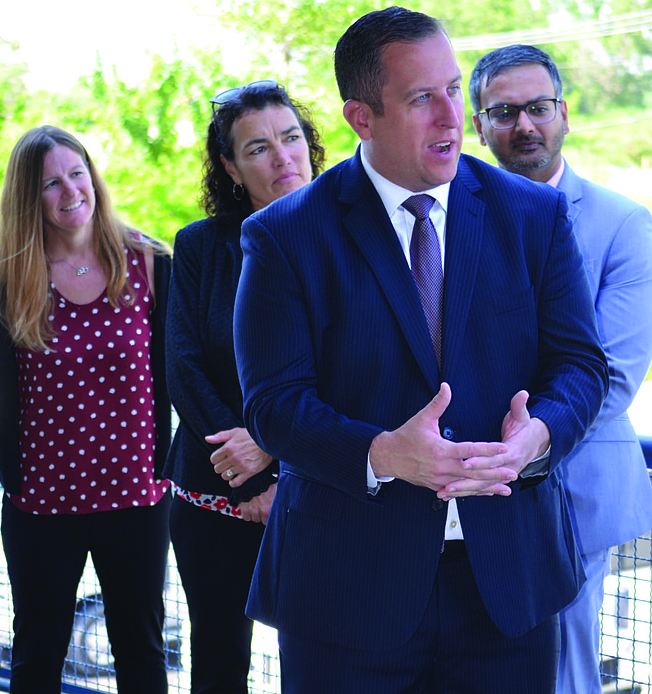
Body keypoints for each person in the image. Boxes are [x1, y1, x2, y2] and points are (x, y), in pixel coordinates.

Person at [232, 7, 610, 694]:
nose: (451, 116)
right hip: (347, 589)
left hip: (509, 585)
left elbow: (582, 367)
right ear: (361, 117)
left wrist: (538, 437)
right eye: (420, 99)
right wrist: (381, 453)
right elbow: (274, 406)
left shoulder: (532, 213)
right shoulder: (284, 236)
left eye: (452, 88)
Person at [469, 44, 652, 694]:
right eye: (505, 111)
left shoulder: (625, 224)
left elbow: (612, 373)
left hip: (573, 487)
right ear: (480, 125)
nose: (525, 125)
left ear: (564, 114)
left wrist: (522, 443)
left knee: (567, 669)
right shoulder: (452, 221)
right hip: (467, 488)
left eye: (538, 107)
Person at [0, 125, 172, 694]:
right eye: (49, 184)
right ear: (27, 198)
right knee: (38, 657)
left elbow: (176, 375)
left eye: (77, 174)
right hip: (42, 507)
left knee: (141, 656)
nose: (69, 192)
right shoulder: (6, 283)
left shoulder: (148, 261)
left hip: (136, 499)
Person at [162, 80, 324, 694]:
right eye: (257, 148)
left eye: (290, 139)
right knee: (219, 662)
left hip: (316, 488)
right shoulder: (200, 246)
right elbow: (183, 366)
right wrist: (251, 472)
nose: (282, 156)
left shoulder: (350, 239)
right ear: (230, 166)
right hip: (214, 494)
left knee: (318, 661)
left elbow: (350, 374)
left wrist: (275, 457)